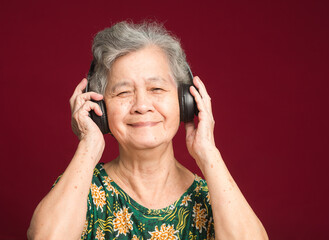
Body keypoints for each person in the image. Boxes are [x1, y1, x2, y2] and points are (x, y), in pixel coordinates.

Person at [28, 21, 268, 240]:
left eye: (156, 89)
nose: (141, 106)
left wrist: (208, 152)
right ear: (100, 107)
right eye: (123, 93)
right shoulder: (82, 190)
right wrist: (88, 146)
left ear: (186, 101)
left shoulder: (212, 197)